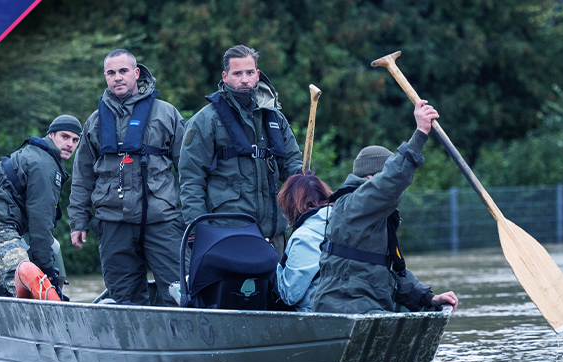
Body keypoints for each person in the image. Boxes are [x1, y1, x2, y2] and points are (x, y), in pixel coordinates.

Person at [311, 100, 459, 314]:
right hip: (345, 306)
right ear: (370, 177)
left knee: (417, 310)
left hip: (370, 303)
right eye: (382, 178)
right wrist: (420, 134)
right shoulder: (354, 204)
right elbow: (391, 181)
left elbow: (393, 271)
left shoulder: (375, 215)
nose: (395, 191)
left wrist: (430, 298)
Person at [68, 49, 185, 306]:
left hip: (162, 220)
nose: (117, 77)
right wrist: (78, 220)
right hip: (114, 221)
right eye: (111, 73)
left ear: (136, 73)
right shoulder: (95, 122)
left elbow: (188, 171)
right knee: (124, 298)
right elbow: (82, 175)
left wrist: (194, 216)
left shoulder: (167, 113)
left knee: (180, 293)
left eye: (123, 71)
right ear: (105, 77)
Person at [179, 45, 303, 256]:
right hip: (226, 232)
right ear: (225, 76)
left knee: (277, 289)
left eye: (250, 72)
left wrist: (307, 193)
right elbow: (191, 178)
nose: (245, 79)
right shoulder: (204, 121)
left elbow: (293, 166)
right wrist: (195, 229)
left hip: (274, 232)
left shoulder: (275, 118)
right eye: (237, 73)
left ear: (257, 74)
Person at [0, 114, 81, 299]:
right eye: (65, 137)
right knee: (28, 288)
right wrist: (48, 270)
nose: (70, 144)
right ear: (51, 135)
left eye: (75, 140)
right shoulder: (44, 165)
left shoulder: (34, 154)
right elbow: (41, 223)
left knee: (6, 292)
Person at [274, 172, 332, 312]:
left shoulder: (305, 236)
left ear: (290, 204)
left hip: (312, 320)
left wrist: (269, 258)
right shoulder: (341, 223)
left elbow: (289, 294)